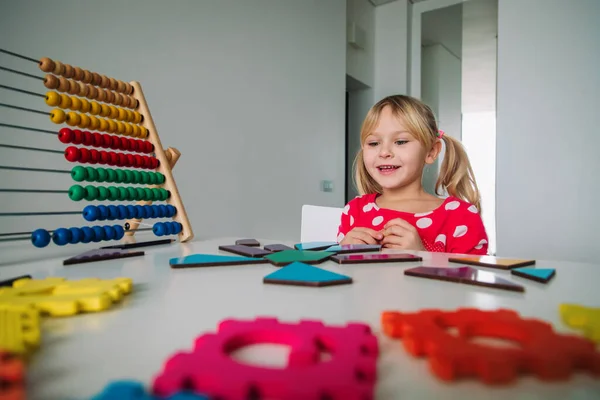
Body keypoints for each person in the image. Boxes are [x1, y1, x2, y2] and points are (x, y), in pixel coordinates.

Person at [338, 94, 488, 255]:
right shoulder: (354, 210)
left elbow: (470, 276)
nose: (384, 152)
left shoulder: (461, 216)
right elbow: (339, 271)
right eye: (374, 143)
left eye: (401, 142)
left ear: (431, 151)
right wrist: (342, 252)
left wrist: (422, 254)